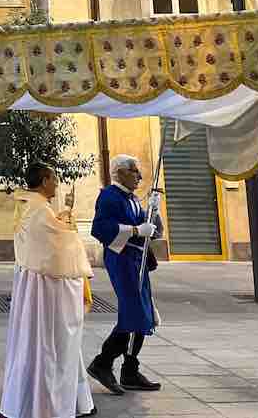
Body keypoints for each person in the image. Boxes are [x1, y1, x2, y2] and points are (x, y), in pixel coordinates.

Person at [0, 163, 96, 418]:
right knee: (51, 344)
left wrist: (62, 220)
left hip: (31, 282)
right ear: (43, 181)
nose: (57, 183)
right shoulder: (40, 209)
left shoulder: (28, 204)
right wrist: (71, 228)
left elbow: (49, 233)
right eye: (54, 178)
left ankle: (30, 399)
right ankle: (46, 404)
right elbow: (60, 245)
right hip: (46, 288)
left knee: (33, 342)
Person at [86, 154, 163, 395]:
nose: (139, 176)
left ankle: (129, 369)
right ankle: (102, 363)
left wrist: (153, 212)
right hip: (122, 260)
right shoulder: (109, 196)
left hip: (137, 260)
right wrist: (134, 229)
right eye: (134, 171)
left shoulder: (131, 199)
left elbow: (151, 231)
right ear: (119, 172)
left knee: (144, 313)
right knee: (134, 313)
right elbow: (99, 229)